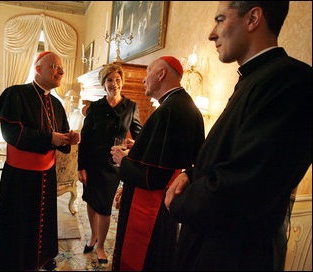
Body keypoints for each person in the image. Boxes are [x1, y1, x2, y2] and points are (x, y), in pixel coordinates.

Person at [165, 1, 312, 270]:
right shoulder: (256, 77)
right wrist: (191, 172)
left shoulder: (291, 80)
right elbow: (228, 154)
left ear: (253, 18)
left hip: (234, 255)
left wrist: (178, 201)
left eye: (220, 19)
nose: (212, 33)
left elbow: (243, 186)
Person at [110, 56, 205, 270]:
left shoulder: (168, 111)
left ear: (162, 74)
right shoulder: (187, 106)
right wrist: (139, 147)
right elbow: (167, 157)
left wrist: (123, 161)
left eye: (148, 72)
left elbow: (153, 176)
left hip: (149, 208)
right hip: (166, 205)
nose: (144, 80)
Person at [0, 51, 80, 271]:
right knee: (19, 223)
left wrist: (69, 138)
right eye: (55, 67)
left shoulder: (57, 104)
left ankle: (43, 257)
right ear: (38, 69)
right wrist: (50, 138)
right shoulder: (16, 94)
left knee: (45, 219)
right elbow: (11, 134)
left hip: (46, 173)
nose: (61, 71)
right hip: (21, 175)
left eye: (61, 68)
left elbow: (61, 137)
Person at [78, 63, 142, 264]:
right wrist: (81, 166)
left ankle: (100, 246)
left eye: (118, 79)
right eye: (110, 80)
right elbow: (85, 138)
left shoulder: (131, 107)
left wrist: (131, 148)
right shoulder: (95, 108)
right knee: (90, 200)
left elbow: (140, 136)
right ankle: (93, 235)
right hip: (92, 163)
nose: (114, 84)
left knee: (104, 207)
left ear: (122, 82)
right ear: (103, 84)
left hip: (113, 166)